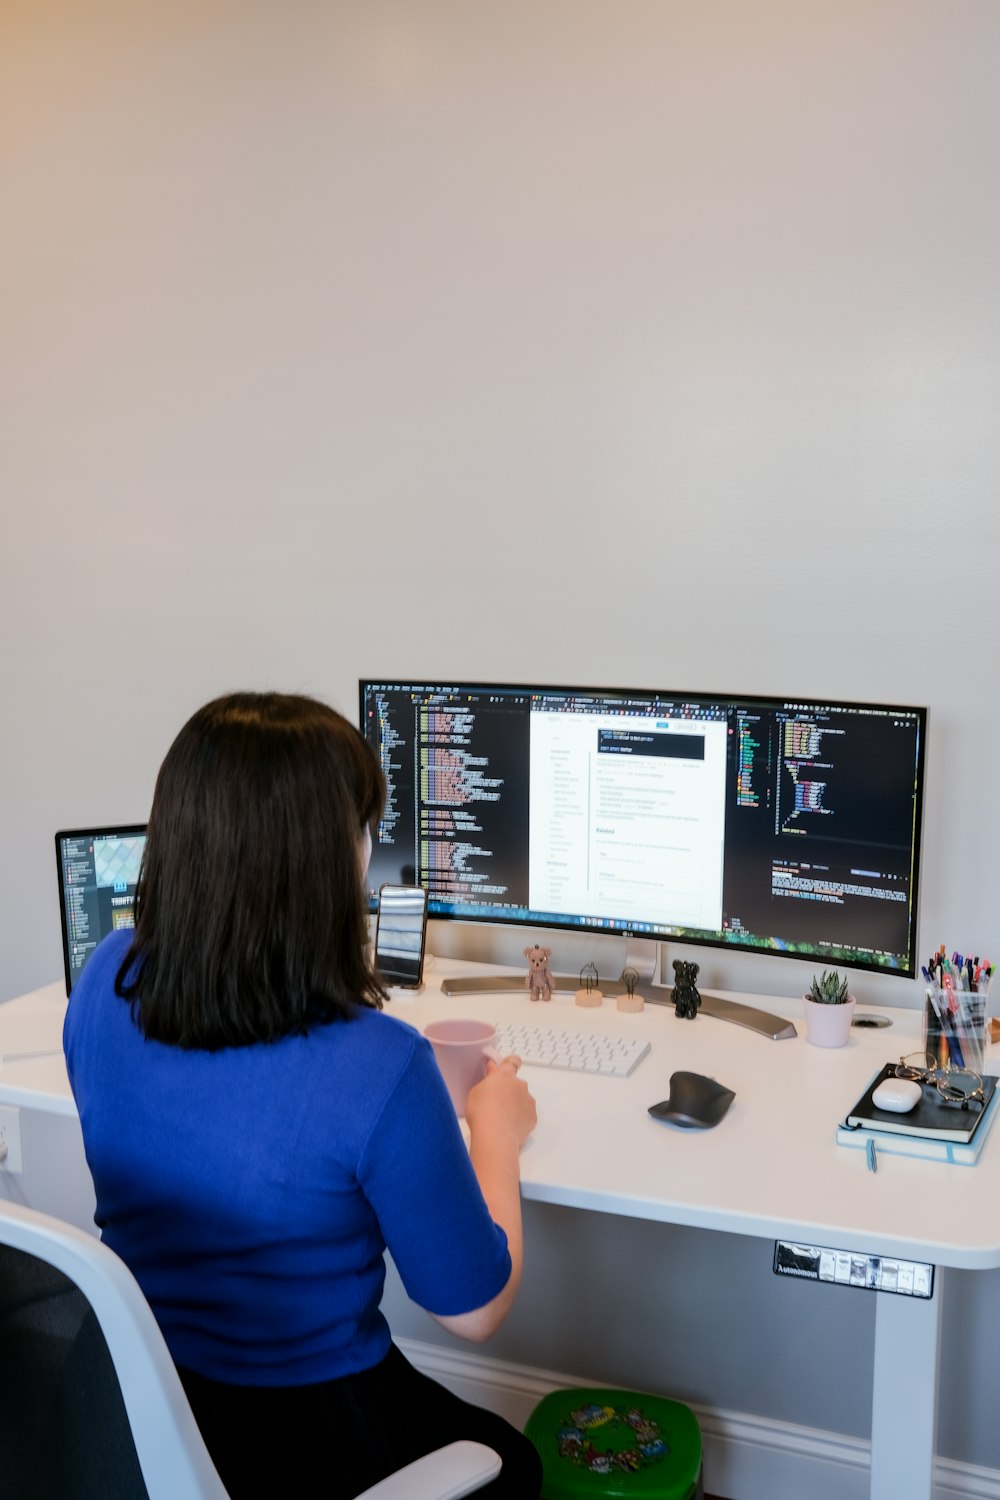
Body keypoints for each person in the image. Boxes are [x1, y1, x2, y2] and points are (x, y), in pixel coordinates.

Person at [63, 691, 542, 1498]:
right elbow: (476, 1313)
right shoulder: (379, 1062)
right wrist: (496, 1131)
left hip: (129, 1400)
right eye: (361, 831)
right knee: (513, 1466)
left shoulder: (103, 978)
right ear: (330, 858)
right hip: (305, 1433)